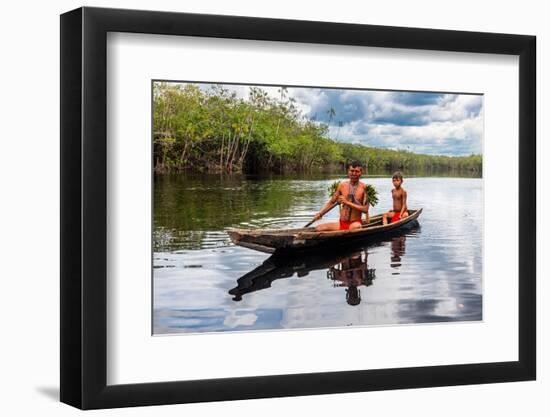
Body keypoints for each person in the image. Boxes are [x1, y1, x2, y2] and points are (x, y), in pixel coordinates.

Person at [314, 160, 369, 231]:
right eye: (352, 171)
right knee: (319, 228)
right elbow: (331, 202)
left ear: (361, 173)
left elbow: (365, 209)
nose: (354, 173)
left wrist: (347, 202)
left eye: (356, 171)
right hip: (341, 223)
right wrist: (320, 213)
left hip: (355, 223)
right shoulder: (342, 186)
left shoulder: (365, 188)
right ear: (348, 172)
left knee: (356, 227)